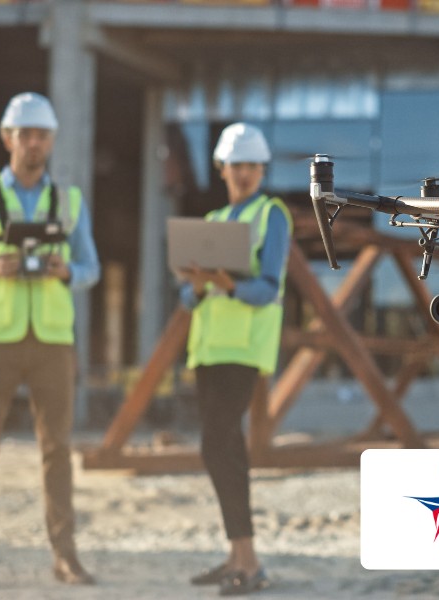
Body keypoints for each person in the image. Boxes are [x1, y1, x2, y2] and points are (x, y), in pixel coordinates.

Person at [0, 92, 100, 591]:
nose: (33, 143)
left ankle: (65, 557)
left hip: (51, 340)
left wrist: (66, 270)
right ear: (8, 138)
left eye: (41, 135)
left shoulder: (69, 201)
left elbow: (90, 268)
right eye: (25, 134)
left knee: (57, 450)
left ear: (51, 141)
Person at [178, 123, 292, 596]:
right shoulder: (214, 218)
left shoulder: (272, 215)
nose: (244, 173)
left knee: (215, 446)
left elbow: (268, 288)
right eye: (236, 165)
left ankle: (249, 560)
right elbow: (188, 299)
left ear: (262, 170)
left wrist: (229, 285)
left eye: (252, 166)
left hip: (243, 349)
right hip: (208, 350)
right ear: (221, 168)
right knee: (227, 449)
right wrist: (198, 285)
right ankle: (237, 557)